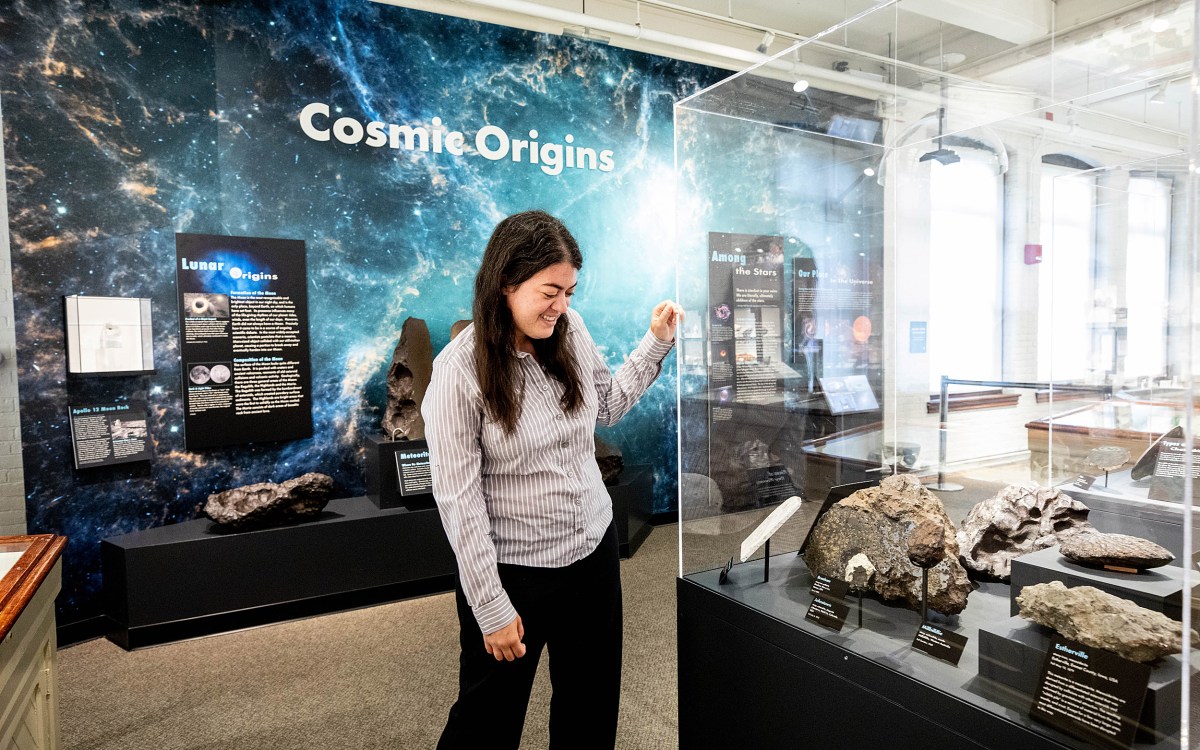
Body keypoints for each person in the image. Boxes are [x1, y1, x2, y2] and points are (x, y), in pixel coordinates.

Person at [423, 209, 682, 750]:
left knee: (589, 713)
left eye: (570, 290)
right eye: (550, 291)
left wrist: (655, 342)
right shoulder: (458, 373)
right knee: (486, 724)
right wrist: (490, 607)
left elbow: (607, 404)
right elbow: (459, 503)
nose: (562, 306)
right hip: (515, 576)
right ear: (505, 285)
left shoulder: (570, 329)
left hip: (591, 557)